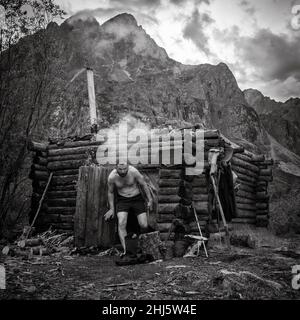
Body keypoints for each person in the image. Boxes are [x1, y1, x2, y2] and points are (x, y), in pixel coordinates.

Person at [104, 162, 153, 254]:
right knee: (121, 222)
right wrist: (111, 209)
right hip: (122, 200)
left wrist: (150, 200)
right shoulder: (112, 177)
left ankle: (142, 245)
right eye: (120, 169)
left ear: (128, 167)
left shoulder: (134, 172)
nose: (122, 171)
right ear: (116, 168)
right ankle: (127, 251)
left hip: (137, 198)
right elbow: (110, 192)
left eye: (124, 169)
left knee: (144, 225)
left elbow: (143, 185)